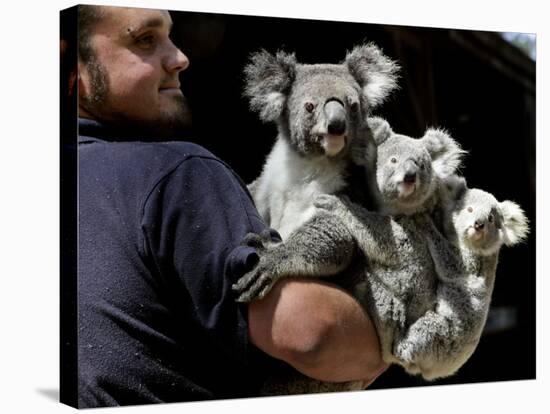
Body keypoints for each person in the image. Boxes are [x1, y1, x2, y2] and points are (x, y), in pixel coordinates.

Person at [71, 5, 387, 407]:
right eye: (144, 40)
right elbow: (312, 335)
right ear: (69, 68)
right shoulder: (177, 173)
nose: (180, 57)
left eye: (171, 36)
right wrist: (396, 333)